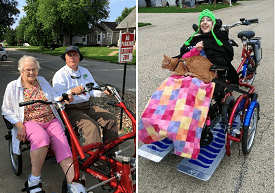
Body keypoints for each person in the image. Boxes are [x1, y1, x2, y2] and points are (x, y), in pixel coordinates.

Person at [2, 55, 74, 193]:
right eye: (27, 69)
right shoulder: (12, 86)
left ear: (38, 70)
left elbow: (53, 97)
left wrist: (63, 98)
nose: (31, 73)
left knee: (62, 143)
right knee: (41, 138)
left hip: (51, 119)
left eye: (34, 69)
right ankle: (34, 180)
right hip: (29, 121)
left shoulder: (41, 81)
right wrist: (19, 125)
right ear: (21, 71)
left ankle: (72, 182)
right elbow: (5, 110)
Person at [52, 46, 119, 156]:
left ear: (79, 58)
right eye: (70, 55)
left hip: (87, 106)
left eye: (75, 55)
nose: (72, 58)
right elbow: (55, 96)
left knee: (111, 119)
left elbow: (93, 89)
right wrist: (71, 92)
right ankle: (95, 161)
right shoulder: (60, 75)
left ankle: (111, 155)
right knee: (92, 127)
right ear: (65, 58)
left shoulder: (84, 71)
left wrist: (103, 91)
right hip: (70, 109)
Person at [179, 9, 239, 85]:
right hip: (192, 72)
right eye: (202, 20)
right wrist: (195, 49)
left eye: (208, 20)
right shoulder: (195, 39)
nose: (204, 22)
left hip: (210, 74)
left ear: (213, 24)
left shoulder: (219, 39)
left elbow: (226, 57)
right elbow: (183, 54)